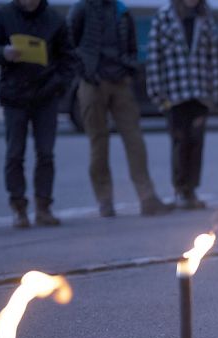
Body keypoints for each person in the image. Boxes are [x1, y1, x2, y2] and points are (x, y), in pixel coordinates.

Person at [67, 0, 172, 217]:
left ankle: (147, 197)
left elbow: (132, 45)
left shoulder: (122, 11)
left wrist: (128, 68)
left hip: (120, 81)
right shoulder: (81, 8)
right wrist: (85, 72)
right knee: (98, 141)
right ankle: (105, 201)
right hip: (92, 82)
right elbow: (68, 46)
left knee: (134, 139)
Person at [0, 0, 75, 228]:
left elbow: (69, 58)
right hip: (15, 95)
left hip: (46, 95)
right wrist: (3, 53)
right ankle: (18, 208)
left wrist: (58, 84)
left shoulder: (55, 19)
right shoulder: (3, 15)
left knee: (45, 153)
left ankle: (43, 207)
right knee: (15, 153)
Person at [146, 0, 218, 210]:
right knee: (179, 142)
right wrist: (156, 92)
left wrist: (214, 93)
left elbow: (212, 57)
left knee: (196, 142)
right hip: (174, 93)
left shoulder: (204, 17)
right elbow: (154, 57)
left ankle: (192, 190)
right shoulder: (164, 16)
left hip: (199, 93)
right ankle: (180, 189)